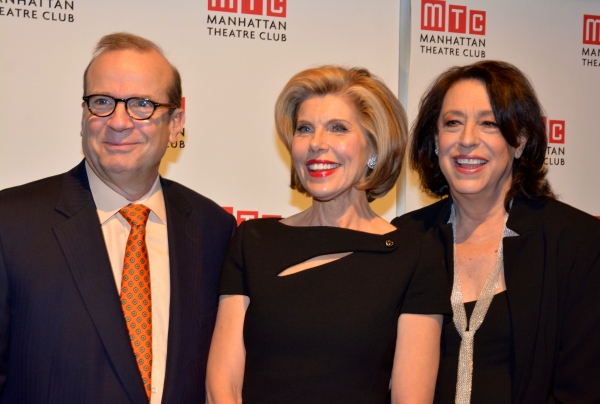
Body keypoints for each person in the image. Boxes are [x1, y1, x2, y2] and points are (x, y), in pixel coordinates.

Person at [0, 32, 235, 403]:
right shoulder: (11, 224)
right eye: (102, 102)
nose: (119, 121)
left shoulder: (214, 230)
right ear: (83, 115)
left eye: (142, 104)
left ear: (175, 123)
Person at [206, 66, 450, 403]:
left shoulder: (413, 256)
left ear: (374, 147)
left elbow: (411, 398)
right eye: (305, 129)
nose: (317, 144)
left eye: (338, 129)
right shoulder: (253, 241)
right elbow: (224, 384)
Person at [393, 60, 600, 403]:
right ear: (435, 139)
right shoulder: (404, 239)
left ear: (520, 141)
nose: (467, 140)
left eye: (489, 124)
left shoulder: (576, 243)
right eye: (453, 123)